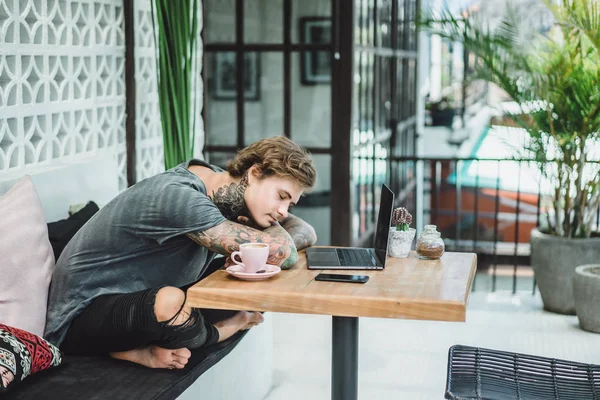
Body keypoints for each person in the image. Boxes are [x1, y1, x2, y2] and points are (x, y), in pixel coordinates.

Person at [44, 136, 317, 370]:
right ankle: (222, 330)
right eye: (281, 196)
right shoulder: (180, 197)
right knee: (172, 303)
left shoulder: (218, 185)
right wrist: (272, 233)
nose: (283, 211)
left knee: (243, 283)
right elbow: (282, 253)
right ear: (255, 173)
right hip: (80, 316)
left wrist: (269, 224)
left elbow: (306, 231)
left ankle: (143, 344)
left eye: (290, 204)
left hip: (135, 297)